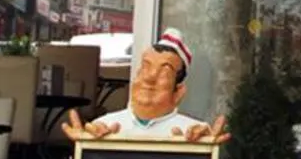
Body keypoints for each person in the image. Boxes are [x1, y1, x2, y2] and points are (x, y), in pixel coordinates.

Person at [62, 29, 227, 144]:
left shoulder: (192, 133)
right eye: (145, 67)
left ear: (179, 92)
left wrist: (205, 149)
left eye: (164, 72)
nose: (149, 77)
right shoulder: (103, 128)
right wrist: (87, 146)